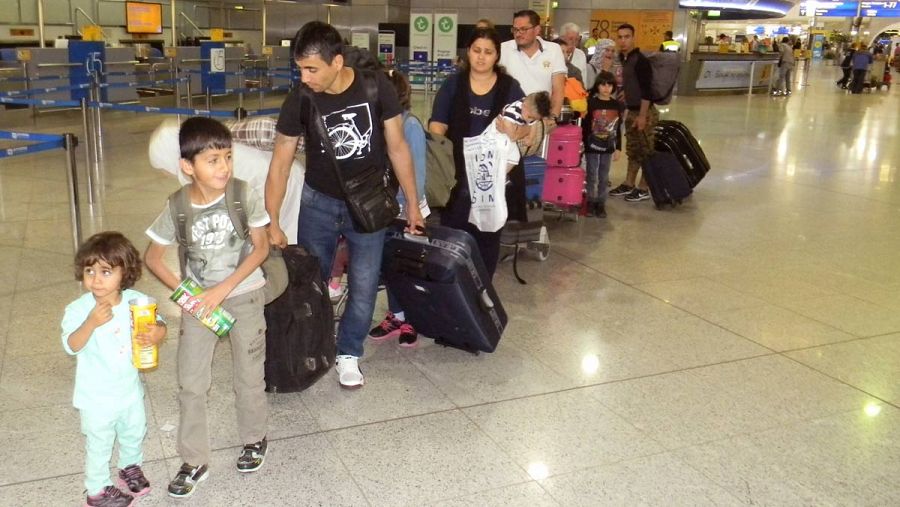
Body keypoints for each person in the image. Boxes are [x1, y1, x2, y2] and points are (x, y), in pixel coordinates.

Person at [264, 22, 424, 389]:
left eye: (311, 69)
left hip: (367, 204)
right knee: (311, 282)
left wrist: (413, 204)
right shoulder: (301, 98)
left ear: (336, 61)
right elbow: (280, 163)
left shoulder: (375, 86)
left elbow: (398, 147)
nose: (305, 78)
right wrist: (272, 220)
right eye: (300, 69)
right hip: (318, 201)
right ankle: (315, 345)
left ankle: (349, 352)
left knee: (365, 284)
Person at [144, 117, 271, 498]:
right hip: (198, 307)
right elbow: (153, 258)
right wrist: (191, 296)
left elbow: (261, 247)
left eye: (227, 157)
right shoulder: (178, 205)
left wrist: (224, 288)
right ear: (188, 166)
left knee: (249, 375)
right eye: (213, 160)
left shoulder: (243, 194)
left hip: (246, 295)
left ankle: (254, 438)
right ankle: (194, 459)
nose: (224, 167)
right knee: (191, 384)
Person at [62, 231, 166, 507]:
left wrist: (157, 333)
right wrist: (90, 323)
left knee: (134, 430)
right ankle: (96, 490)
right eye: (90, 271)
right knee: (99, 443)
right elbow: (71, 345)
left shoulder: (137, 301)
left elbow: (160, 323)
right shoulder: (78, 309)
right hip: (96, 398)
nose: (96, 279)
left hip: (129, 390)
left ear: (125, 273)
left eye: (106, 271)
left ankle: (129, 467)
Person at [429, 27, 525, 277]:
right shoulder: (453, 84)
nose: (481, 57)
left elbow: (528, 126)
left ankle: (482, 290)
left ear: (497, 56)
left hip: (491, 178)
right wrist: (437, 157)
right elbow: (437, 124)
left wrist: (516, 132)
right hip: (456, 175)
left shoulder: (510, 87)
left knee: (487, 238)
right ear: (468, 52)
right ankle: (453, 290)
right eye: (476, 50)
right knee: (453, 236)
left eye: (488, 52)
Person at [367, 68, 430, 348]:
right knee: (391, 267)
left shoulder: (410, 126)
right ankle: (397, 315)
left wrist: (409, 210)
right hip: (387, 210)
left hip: (407, 211)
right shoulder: (382, 125)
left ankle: (413, 320)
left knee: (408, 269)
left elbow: (415, 174)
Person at [609, 23, 656, 203]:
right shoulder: (624, 58)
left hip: (644, 112)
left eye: (626, 36)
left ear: (633, 37)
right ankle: (629, 183)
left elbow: (647, 91)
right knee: (633, 150)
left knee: (646, 150)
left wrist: (643, 116)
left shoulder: (641, 61)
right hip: (631, 111)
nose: (623, 40)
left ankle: (644, 187)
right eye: (619, 37)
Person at [499, 9, 567, 119]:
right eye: (515, 29)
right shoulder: (502, 49)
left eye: (524, 29)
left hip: (541, 118)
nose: (518, 33)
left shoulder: (554, 50)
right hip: (508, 118)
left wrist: (553, 117)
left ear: (537, 30)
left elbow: (558, 90)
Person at [582, 71, 624, 219]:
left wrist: (618, 147)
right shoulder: (590, 103)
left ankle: (601, 203)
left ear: (613, 87)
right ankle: (590, 202)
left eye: (609, 85)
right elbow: (585, 126)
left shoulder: (617, 105)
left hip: (608, 145)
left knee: (604, 176)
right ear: (597, 86)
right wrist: (583, 143)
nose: (606, 88)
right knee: (591, 174)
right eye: (603, 84)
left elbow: (618, 127)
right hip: (591, 145)